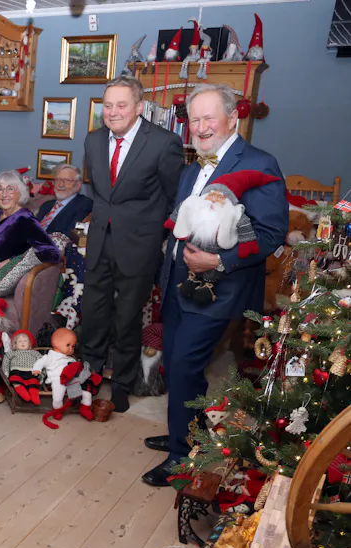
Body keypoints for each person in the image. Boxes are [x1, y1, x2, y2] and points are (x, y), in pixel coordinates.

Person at [141, 84, 287, 486]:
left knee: (186, 364)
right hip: (176, 284)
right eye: (194, 119)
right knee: (176, 363)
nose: (201, 127)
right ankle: (187, 431)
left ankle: (181, 458)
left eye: (210, 118)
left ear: (231, 120)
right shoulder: (193, 167)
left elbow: (271, 233)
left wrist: (219, 259)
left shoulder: (260, 163)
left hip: (219, 289)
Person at [80, 75, 184, 414]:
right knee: (93, 315)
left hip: (138, 246)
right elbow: (98, 193)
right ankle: (89, 378)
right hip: (99, 243)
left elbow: (173, 197)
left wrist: (154, 233)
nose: (112, 112)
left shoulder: (163, 143)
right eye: (107, 105)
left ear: (139, 107)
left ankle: (122, 384)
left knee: (126, 319)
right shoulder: (93, 141)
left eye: (121, 105)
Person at [36, 164, 93, 237]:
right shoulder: (46, 205)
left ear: (78, 185)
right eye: (58, 180)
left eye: (67, 181)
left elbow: (71, 236)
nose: (60, 185)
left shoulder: (85, 205)